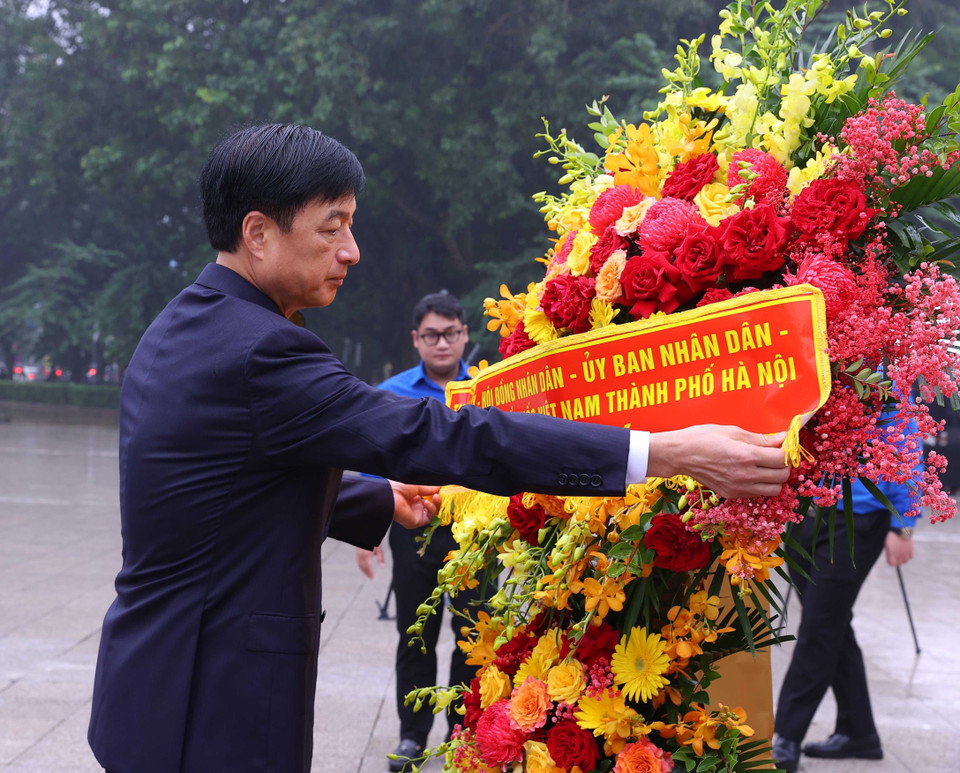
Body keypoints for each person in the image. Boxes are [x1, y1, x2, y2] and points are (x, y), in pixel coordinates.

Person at [87, 122, 790, 773]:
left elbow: (222, 482)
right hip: (214, 701)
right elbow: (439, 433)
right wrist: (661, 450)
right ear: (258, 233)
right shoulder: (263, 350)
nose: (351, 252)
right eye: (332, 228)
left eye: (351, 227)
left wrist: (373, 497)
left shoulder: (185, 324)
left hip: (155, 679)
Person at [356, 292, 486, 771]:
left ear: (465, 334)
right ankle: (412, 736)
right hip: (415, 529)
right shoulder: (392, 392)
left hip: (476, 532)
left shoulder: (486, 387)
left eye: (451, 333)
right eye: (431, 335)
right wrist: (367, 532)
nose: (442, 343)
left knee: (475, 635)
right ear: (416, 339)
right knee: (417, 635)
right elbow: (370, 463)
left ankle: (463, 734)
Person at [772, 435, 919, 773]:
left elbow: (905, 434)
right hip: (801, 514)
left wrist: (904, 525)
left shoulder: (883, 379)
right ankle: (859, 731)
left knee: (819, 626)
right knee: (829, 622)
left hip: (855, 519)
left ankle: (786, 739)